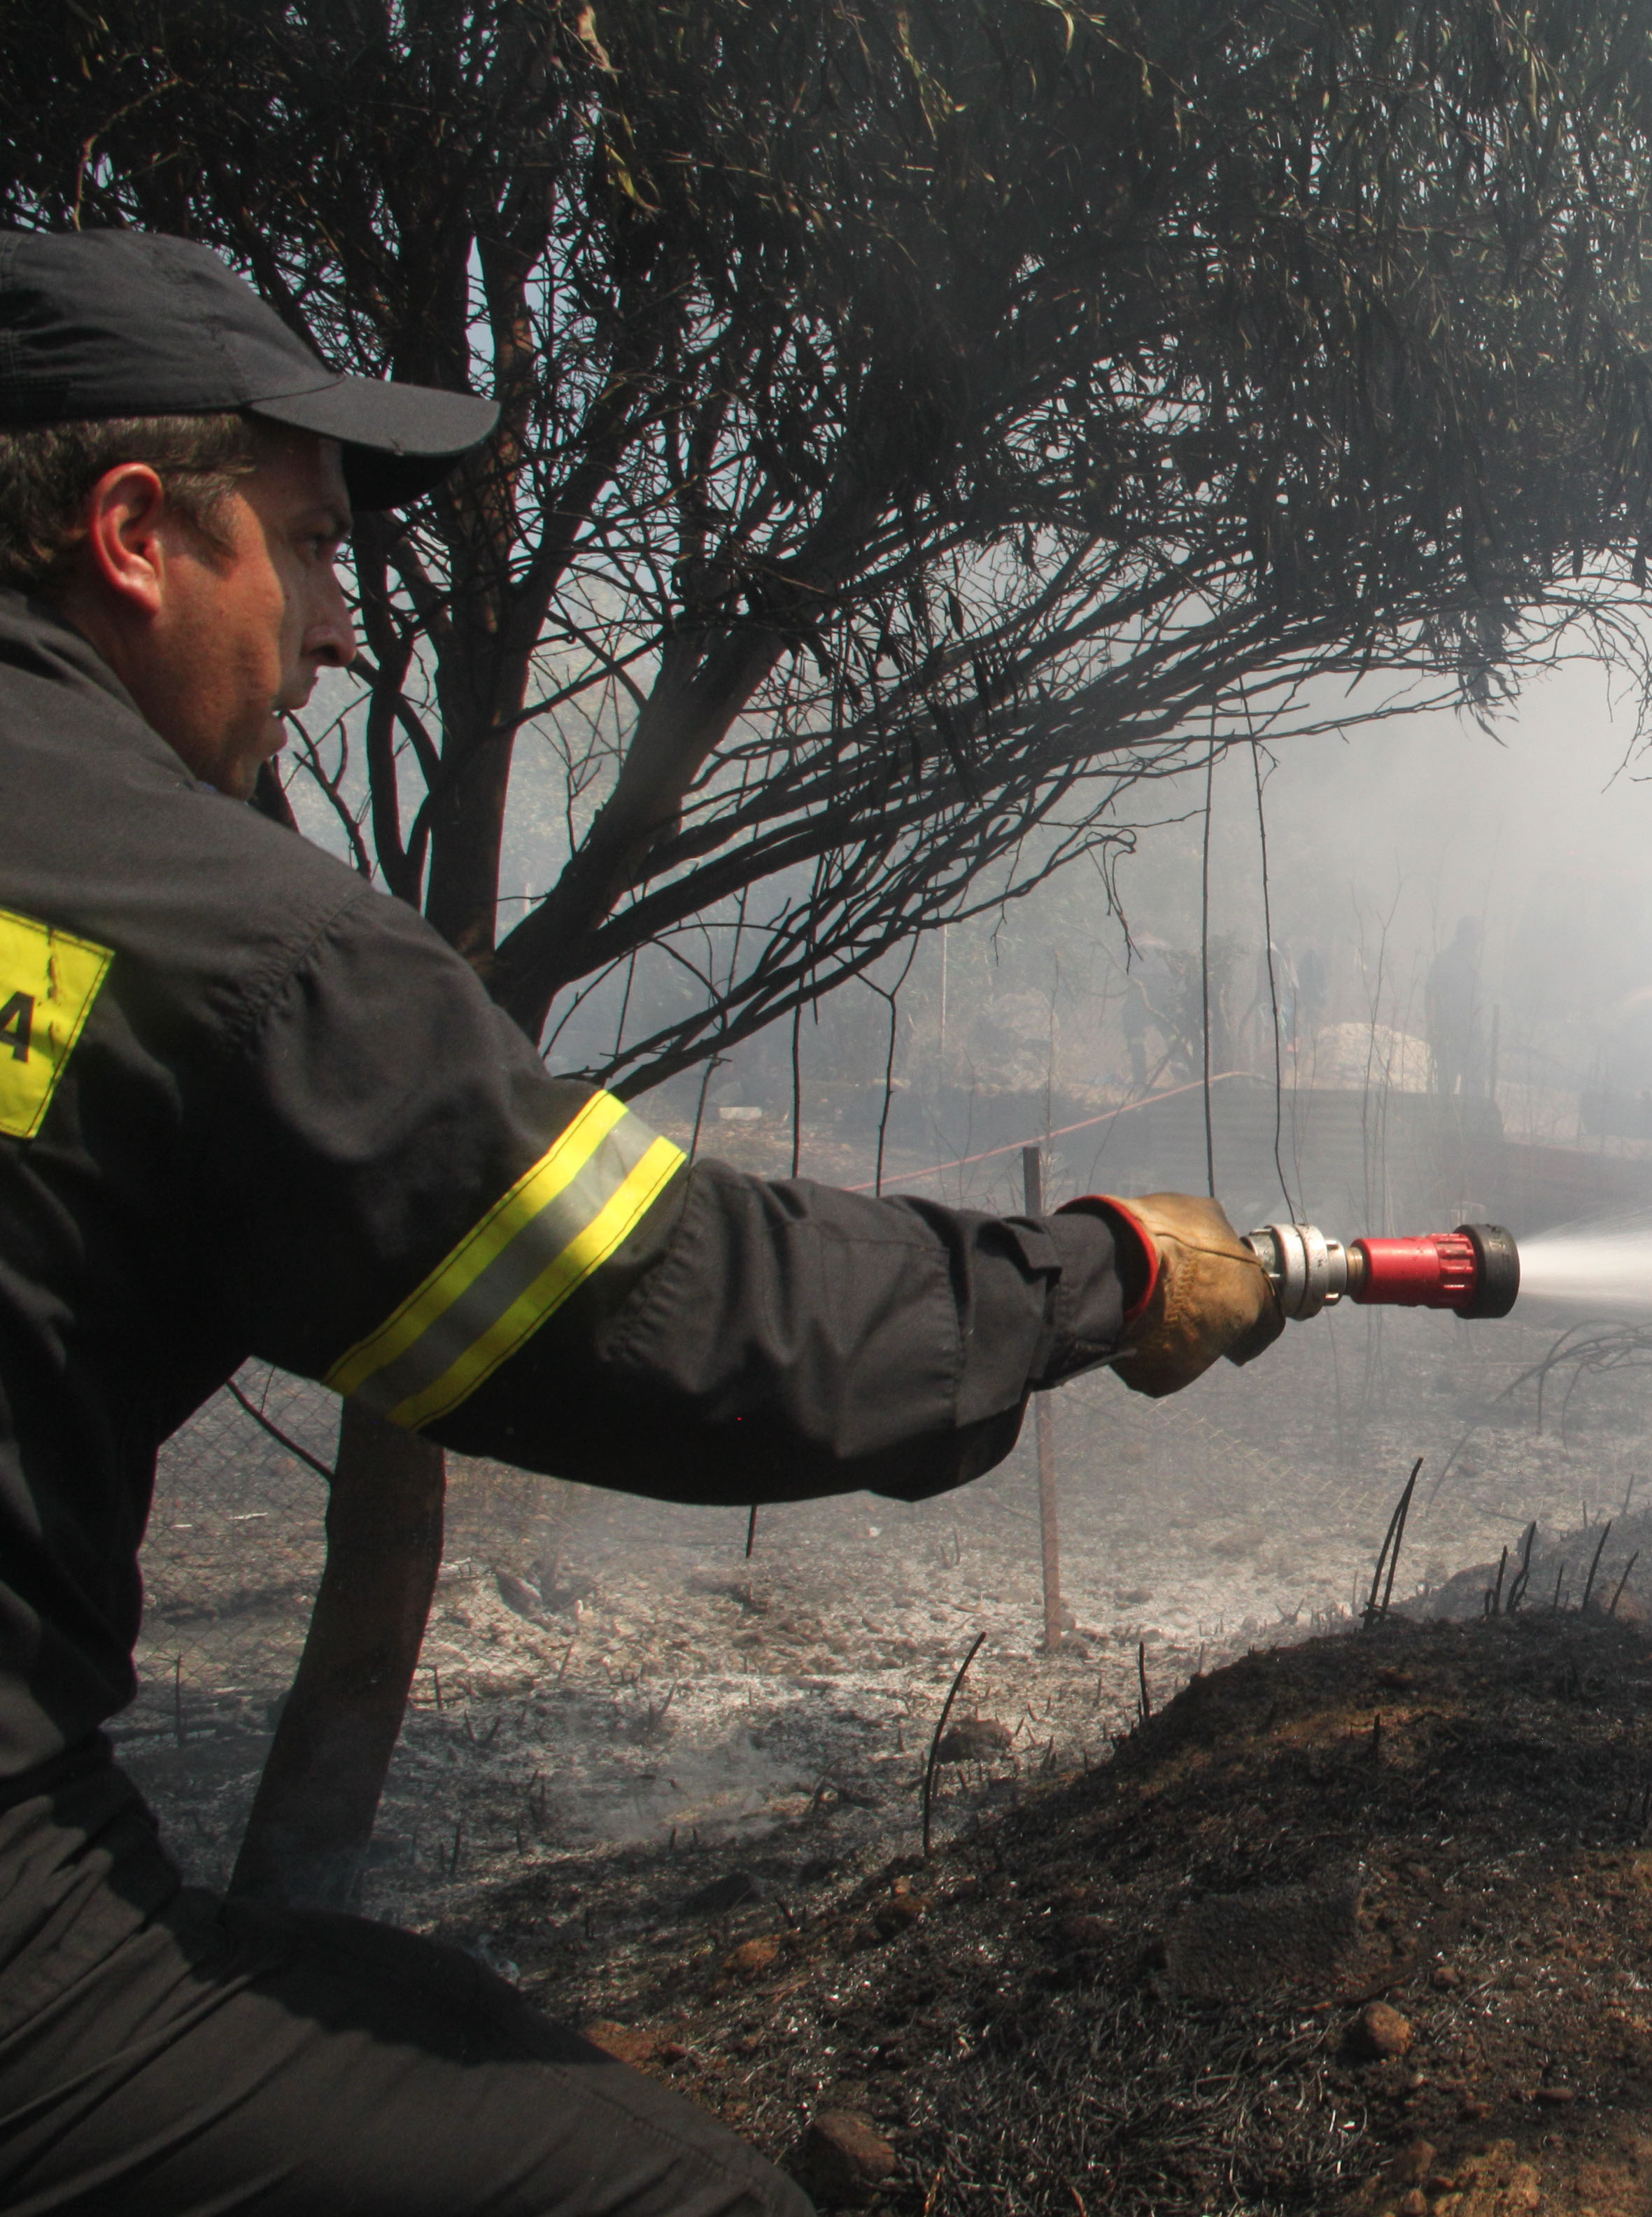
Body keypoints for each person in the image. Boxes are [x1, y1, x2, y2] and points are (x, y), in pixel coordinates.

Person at [0, 230, 1283, 2214]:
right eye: (314, 546)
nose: (344, 633)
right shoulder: (212, 939)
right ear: (136, 534)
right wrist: (1098, 1273)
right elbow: (666, 1319)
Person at [1426, 914, 1483, 1099]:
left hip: (1472, 1039)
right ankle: (1443, 1126)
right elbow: (1431, 997)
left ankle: (1466, 1127)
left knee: (1472, 1096)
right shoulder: (1445, 962)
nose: (1476, 939)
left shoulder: (1476, 963)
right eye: (1473, 934)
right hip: (1449, 1038)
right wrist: (1433, 1030)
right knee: (1446, 1094)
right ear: (1463, 935)